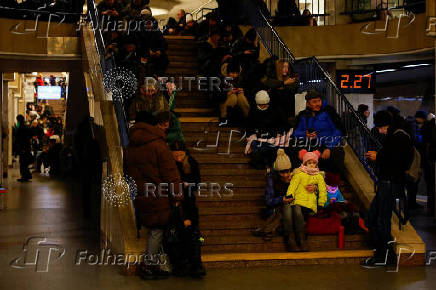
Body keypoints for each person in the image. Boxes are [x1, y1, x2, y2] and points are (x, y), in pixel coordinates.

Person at [125, 111, 182, 280]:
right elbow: (170, 172)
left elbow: (127, 172)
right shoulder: (158, 144)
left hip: (142, 193)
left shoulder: (130, 146)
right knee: (158, 229)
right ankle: (148, 264)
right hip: (159, 193)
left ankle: (163, 266)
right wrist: (177, 196)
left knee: (157, 228)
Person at [361, 110, 414, 268]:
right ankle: (383, 254)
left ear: (387, 125)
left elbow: (398, 162)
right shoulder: (396, 136)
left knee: (380, 220)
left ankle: (383, 256)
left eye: (381, 127)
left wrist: (379, 157)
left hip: (390, 184)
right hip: (387, 183)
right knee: (373, 219)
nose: (379, 130)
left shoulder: (399, 137)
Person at [168, 141, 206, 278]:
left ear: (186, 153)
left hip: (189, 203)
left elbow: (197, 184)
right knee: (179, 236)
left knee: (193, 233)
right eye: (175, 155)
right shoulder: (169, 164)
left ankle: (196, 265)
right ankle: (182, 265)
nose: (178, 158)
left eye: (181, 155)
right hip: (175, 204)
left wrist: (187, 184)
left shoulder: (192, 163)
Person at [292, 90, 345, 174]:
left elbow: (338, 131)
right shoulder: (302, 115)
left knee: (337, 152)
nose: (318, 104)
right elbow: (295, 133)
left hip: (326, 145)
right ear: (308, 104)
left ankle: (332, 183)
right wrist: (305, 134)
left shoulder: (329, 112)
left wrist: (329, 147)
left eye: (319, 101)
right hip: (308, 145)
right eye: (314, 102)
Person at [285, 150, 327, 251]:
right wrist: (289, 195)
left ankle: (301, 238)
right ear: (305, 163)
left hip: (310, 203)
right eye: (309, 163)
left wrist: (321, 202)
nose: (311, 165)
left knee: (298, 212)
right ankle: (301, 239)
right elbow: (293, 185)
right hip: (298, 200)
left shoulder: (319, 176)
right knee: (297, 211)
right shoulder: (299, 173)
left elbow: (323, 190)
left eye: (313, 163)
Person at [13, 115, 33, 182]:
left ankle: (25, 176)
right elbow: (30, 135)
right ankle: (26, 176)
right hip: (27, 146)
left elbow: (18, 138)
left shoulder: (21, 127)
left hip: (22, 147)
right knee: (25, 162)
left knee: (23, 162)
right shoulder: (26, 126)